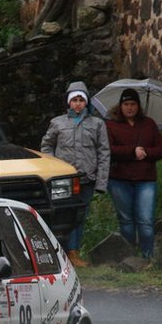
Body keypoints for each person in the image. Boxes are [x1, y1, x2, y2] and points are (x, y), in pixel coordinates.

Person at [41, 81, 110, 267]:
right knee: (61, 216)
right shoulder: (57, 123)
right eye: (74, 100)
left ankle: (74, 252)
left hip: (86, 178)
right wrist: (52, 168)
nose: (78, 104)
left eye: (81, 100)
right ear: (68, 103)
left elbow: (104, 153)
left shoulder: (97, 124)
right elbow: (47, 145)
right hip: (64, 181)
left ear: (86, 102)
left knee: (80, 217)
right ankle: (59, 253)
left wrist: (101, 182)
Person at [105, 87, 162, 259]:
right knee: (126, 221)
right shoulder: (111, 125)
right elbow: (109, 150)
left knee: (146, 220)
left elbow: (161, 149)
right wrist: (132, 151)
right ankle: (129, 258)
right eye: (126, 104)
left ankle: (147, 257)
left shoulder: (149, 124)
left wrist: (145, 152)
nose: (130, 108)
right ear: (120, 106)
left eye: (133, 104)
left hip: (145, 180)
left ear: (138, 106)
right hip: (119, 179)